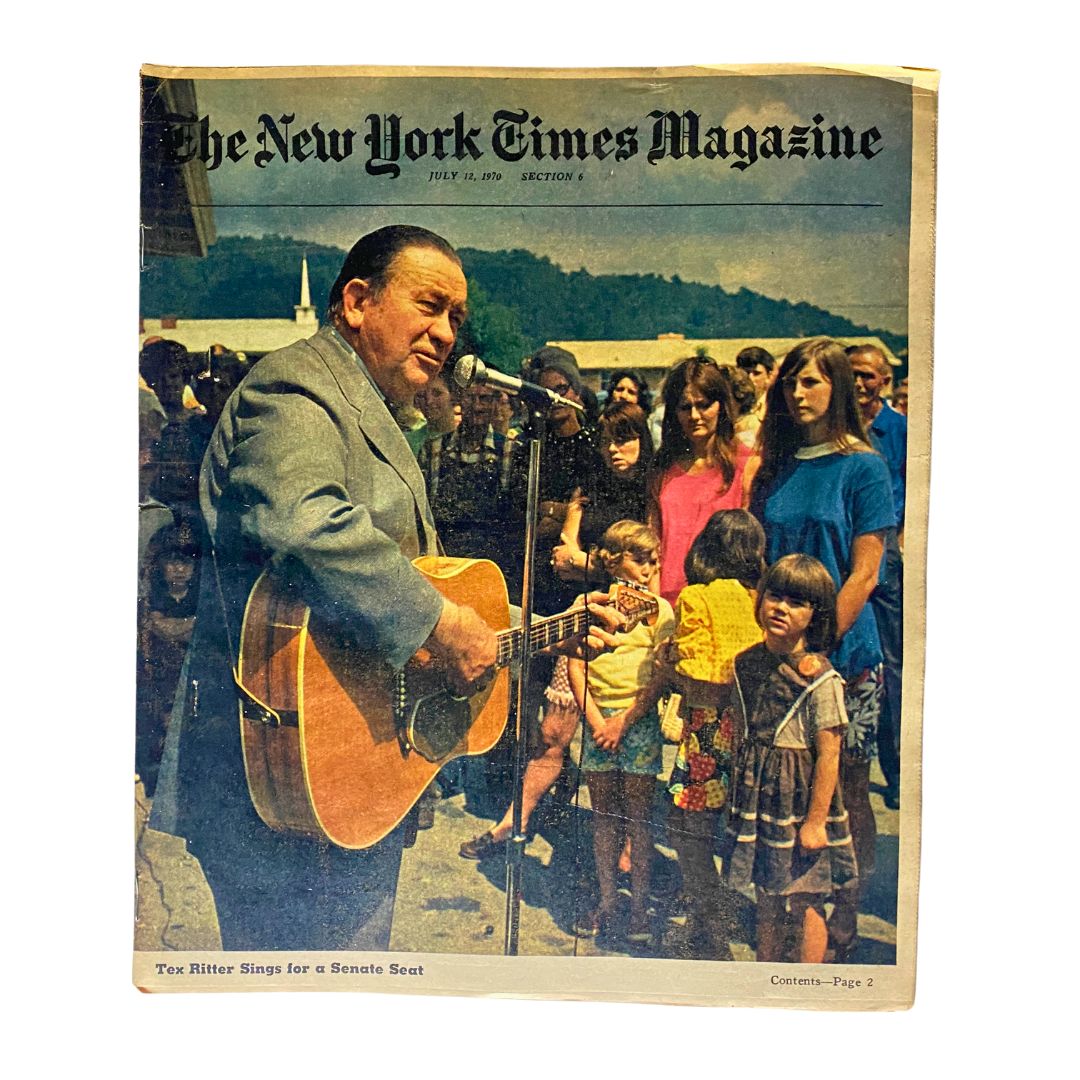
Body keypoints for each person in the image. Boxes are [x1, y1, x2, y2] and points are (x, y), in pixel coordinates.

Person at [151, 225, 619, 952]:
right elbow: (307, 522)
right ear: (357, 301)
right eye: (430, 305)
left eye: (457, 318)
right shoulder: (298, 383)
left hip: (345, 762)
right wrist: (440, 623)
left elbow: (411, 578)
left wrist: (548, 622)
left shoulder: (368, 403)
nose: (446, 335)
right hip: (280, 763)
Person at [750, 337, 894, 960]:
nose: (798, 393)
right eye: (791, 383)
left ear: (837, 387)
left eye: (811, 382)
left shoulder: (865, 467)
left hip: (842, 661)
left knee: (845, 790)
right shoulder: (777, 467)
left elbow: (865, 572)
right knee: (782, 787)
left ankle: (848, 905)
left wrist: (819, 649)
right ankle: (784, 911)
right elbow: (761, 561)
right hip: (779, 657)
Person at [459, 402, 652, 862]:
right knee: (552, 732)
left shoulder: (651, 492)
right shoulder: (588, 491)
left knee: (627, 747)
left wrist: (590, 563)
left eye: (625, 438)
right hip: (585, 616)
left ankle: (627, 853)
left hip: (636, 634)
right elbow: (562, 558)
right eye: (607, 440)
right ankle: (514, 822)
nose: (614, 449)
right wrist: (604, 568)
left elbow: (646, 578)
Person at [721, 554, 858, 964]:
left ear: (815, 615)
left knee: (804, 899)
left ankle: (807, 984)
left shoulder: (821, 679)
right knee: (766, 894)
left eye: (796, 602)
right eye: (774, 597)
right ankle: (765, 976)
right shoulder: (746, 663)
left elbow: (829, 755)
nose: (781, 608)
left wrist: (816, 822)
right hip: (759, 800)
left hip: (800, 803)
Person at [656, 509, 765, 959]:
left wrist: (668, 670)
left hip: (708, 730)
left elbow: (704, 679)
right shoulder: (758, 597)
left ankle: (712, 933)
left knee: (687, 831)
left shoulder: (697, 598)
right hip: (751, 731)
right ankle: (707, 923)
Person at [567, 521, 674, 945]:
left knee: (639, 819)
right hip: (598, 720)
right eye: (638, 559)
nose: (647, 569)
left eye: (653, 561)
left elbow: (660, 674)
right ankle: (609, 901)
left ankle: (639, 907)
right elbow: (576, 664)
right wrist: (596, 722)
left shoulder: (660, 611)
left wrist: (623, 722)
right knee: (604, 816)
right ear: (612, 559)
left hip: (637, 719)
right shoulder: (589, 603)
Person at [847, 343, 907, 809]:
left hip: (884, 560)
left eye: (869, 374)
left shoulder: (899, 430)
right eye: (854, 374)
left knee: (889, 664)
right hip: (845, 555)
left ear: (885, 380)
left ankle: (898, 770)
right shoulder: (840, 428)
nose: (862, 382)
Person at [648, 357, 756, 607]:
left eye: (704, 405)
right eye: (685, 407)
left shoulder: (747, 464)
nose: (694, 415)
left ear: (722, 405)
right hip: (667, 602)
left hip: (724, 603)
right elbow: (652, 543)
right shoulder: (662, 467)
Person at [735, 345, 776, 426]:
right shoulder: (733, 404)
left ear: (769, 376)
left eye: (756, 373)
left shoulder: (775, 406)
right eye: (746, 372)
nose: (750, 378)